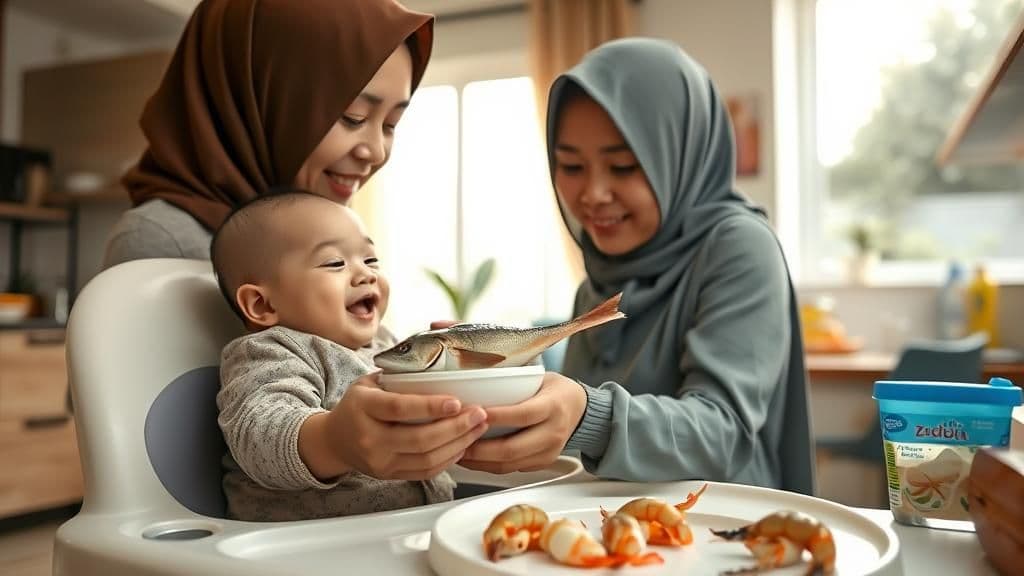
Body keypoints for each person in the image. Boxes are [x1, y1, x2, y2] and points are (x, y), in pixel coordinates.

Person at [103, 0, 487, 504]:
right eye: (352, 117)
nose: (375, 150)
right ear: (262, 94)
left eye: (390, 123)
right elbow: (151, 479)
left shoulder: (319, 237)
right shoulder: (160, 244)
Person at [458, 38, 815, 495]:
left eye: (623, 167)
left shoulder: (739, 246)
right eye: (570, 165)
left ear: (679, 158)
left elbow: (721, 431)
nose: (593, 193)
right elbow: (576, 438)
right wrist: (487, 384)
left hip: (725, 530)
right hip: (619, 530)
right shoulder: (601, 276)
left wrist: (589, 416)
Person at [211, 191, 482, 521]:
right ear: (262, 305)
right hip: (302, 550)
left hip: (408, 531)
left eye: (370, 260)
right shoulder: (271, 351)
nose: (366, 274)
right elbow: (259, 434)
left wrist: (457, 371)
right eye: (334, 263)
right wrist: (333, 440)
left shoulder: (386, 344)